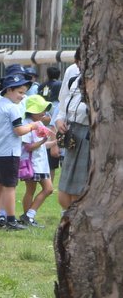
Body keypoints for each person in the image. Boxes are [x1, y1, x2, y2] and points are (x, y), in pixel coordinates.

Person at [0, 68, 35, 231]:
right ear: (9, 90)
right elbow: (19, 130)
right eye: (20, 92)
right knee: (9, 187)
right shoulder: (12, 108)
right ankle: (11, 220)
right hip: (10, 152)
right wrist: (32, 126)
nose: (22, 96)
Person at [54, 58, 89, 210]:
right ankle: (68, 221)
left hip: (89, 133)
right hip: (72, 131)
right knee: (63, 192)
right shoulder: (72, 71)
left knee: (78, 190)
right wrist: (60, 118)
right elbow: (63, 99)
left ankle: (75, 224)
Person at [19, 94, 55, 227]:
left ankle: (28, 216)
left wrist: (55, 142)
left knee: (40, 189)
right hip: (32, 164)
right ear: (32, 111)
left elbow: (41, 145)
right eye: (41, 110)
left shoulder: (39, 123)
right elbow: (28, 147)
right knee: (45, 189)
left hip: (40, 163)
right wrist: (44, 140)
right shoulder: (27, 124)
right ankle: (28, 216)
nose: (44, 113)